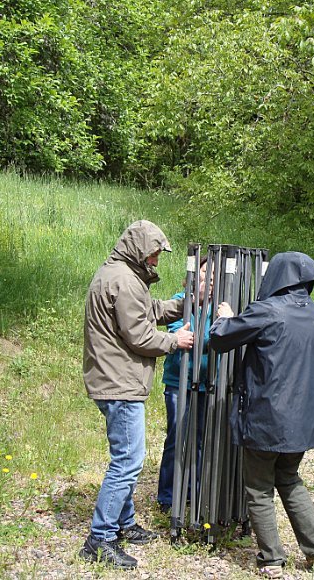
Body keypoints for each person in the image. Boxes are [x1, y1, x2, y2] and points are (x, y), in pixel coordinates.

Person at [209, 251, 314, 579]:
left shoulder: (267, 310)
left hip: (267, 419)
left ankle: (271, 560)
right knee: (289, 479)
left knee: (259, 487)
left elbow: (220, 338)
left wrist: (225, 317)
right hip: (301, 422)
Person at [80, 220, 194, 569]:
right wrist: (175, 340)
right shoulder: (125, 280)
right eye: (154, 254)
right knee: (128, 461)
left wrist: (184, 304)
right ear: (139, 250)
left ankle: (124, 523)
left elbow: (150, 311)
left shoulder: (121, 275)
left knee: (126, 457)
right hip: (120, 383)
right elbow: (140, 336)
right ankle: (100, 539)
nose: (156, 260)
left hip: (115, 379)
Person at [157, 256, 212, 514]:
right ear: (194, 275)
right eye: (205, 272)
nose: (209, 278)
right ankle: (168, 496)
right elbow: (181, 336)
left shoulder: (221, 307)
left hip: (207, 383)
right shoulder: (181, 301)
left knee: (200, 439)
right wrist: (215, 338)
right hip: (179, 382)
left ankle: (193, 492)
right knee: (177, 438)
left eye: (214, 275)